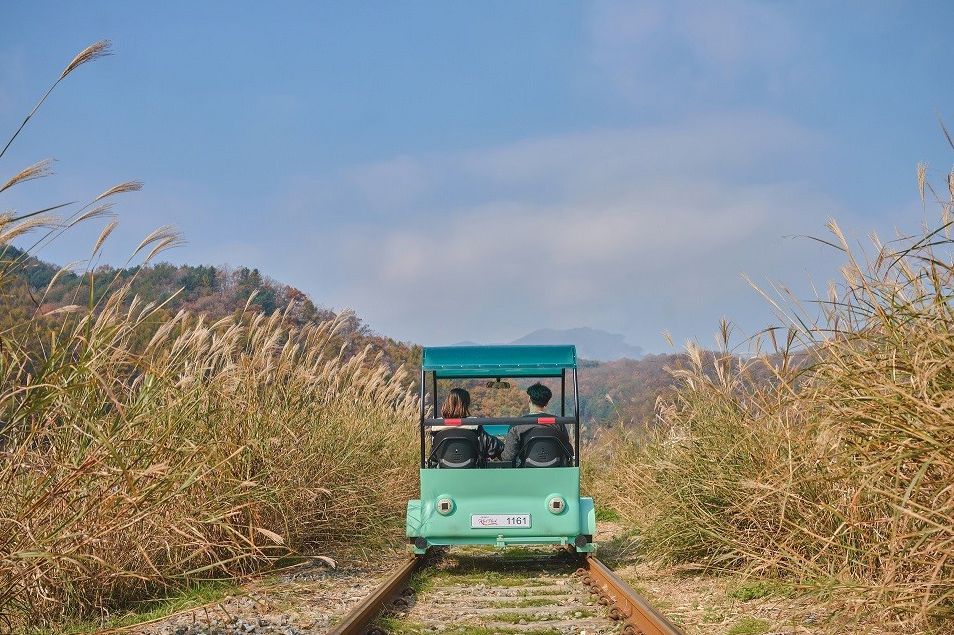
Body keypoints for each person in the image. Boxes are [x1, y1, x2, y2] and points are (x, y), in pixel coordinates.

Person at [500, 382, 573, 466]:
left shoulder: (517, 425)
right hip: (554, 471)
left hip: (525, 473)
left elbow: (508, 457)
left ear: (529, 400)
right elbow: (569, 452)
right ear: (546, 403)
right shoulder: (558, 423)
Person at [429, 387, 503, 466]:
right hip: (472, 472)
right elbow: (492, 448)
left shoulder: (436, 427)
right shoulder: (474, 425)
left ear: (447, 403)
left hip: (444, 472)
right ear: (466, 405)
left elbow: (434, 456)